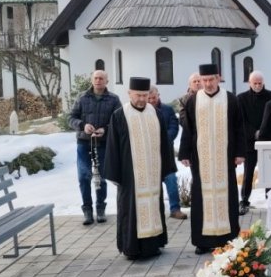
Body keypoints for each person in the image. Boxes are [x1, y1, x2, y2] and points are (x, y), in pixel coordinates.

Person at [103, 78, 177, 260]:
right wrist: (115, 174)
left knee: (153, 206)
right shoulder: (120, 115)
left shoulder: (156, 113)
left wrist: (167, 166)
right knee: (131, 209)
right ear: (129, 94)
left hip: (152, 173)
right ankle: (131, 248)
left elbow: (163, 143)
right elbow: (112, 146)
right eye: (138, 95)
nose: (142, 99)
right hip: (130, 175)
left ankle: (154, 244)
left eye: (145, 95)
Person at [178, 63, 246, 254]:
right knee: (201, 198)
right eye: (204, 80)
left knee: (228, 196)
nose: (207, 84)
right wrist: (184, 153)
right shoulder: (193, 101)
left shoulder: (230, 99)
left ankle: (228, 239)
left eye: (211, 79)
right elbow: (188, 129)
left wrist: (240, 152)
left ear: (218, 78)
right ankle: (203, 241)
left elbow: (239, 127)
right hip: (202, 160)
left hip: (225, 159)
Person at [68, 70, 122, 225]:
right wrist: (82, 125)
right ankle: (87, 210)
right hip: (84, 143)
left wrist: (105, 129)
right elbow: (70, 118)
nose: (98, 81)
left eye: (101, 78)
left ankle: (100, 209)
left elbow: (118, 121)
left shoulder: (113, 99)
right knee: (84, 177)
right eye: (96, 78)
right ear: (92, 80)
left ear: (107, 81)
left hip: (104, 143)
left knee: (101, 177)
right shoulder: (82, 97)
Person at [236, 71, 271, 215]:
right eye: (255, 83)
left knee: (269, 172)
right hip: (250, 141)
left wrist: (263, 131)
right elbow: (241, 120)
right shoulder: (241, 98)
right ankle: (244, 200)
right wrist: (254, 132)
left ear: (263, 82)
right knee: (248, 173)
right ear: (249, 83)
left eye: (260, 83)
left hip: (268, 140)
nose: (258, 86)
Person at [148, 85, 186, 220]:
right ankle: (154, 211)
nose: (152, 100)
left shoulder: (168, 110)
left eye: (154, 97)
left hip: (166, 153)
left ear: (158, 96)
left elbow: (173, 127)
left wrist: (163, 140)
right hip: (149, 154)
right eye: (149, 98)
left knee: (171, 181)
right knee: (152, 184)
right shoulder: (143, 111)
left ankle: (175, 209)